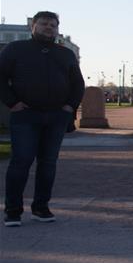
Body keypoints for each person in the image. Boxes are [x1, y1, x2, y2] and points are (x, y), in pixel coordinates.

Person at [0, 11, 85, 227]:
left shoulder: (65, 54)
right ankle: (13, 211)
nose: (49, 28)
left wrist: (69, 107)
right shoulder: (15, 49)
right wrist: (13, 103)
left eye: (53, 25)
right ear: (33, 26)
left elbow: (77, 84)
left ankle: (41, 208)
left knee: (48, 164)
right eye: (44, 24)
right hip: (25, 115)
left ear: (57, 29)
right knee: (21, 162)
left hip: (56, 116)